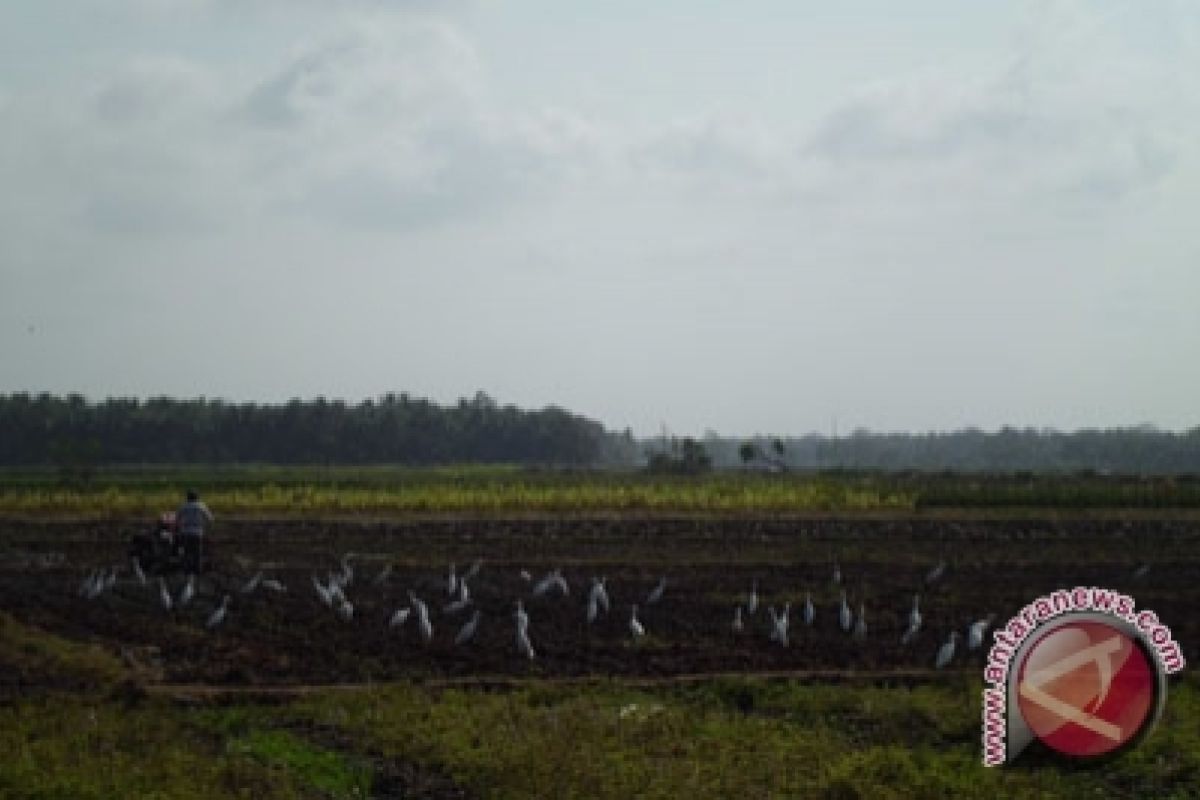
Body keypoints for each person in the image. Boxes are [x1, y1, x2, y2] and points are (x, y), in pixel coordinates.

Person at [176, 489, 214, 574]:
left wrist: (179, 527)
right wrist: (206, 527)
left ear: (188, 497)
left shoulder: (183, 506)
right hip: (197, 531)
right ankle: (197, 569)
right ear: (197, 497)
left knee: (187, 551)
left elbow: (177, 518)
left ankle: (186, 569)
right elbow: (210, 519)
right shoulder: (201, 506)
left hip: (186, 531)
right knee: (197, 552)